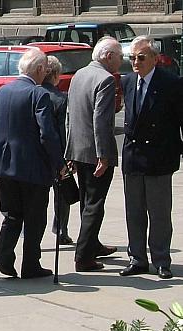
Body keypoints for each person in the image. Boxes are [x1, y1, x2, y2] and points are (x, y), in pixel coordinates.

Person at [0, 49, 64, 279]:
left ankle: (4, 258)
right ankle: (30, 264)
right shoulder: (38, 94)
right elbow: (47, 134)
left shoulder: (1, 92)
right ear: (40, 69)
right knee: (35, 218)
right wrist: (58, 163)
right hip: (33, 168)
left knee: (11, 215)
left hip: (5, 167)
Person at [119, 36, 183, 280]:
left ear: (155, 59)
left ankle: (161, 260)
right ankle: (137, 258)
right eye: (132, 58)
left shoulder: (171, 83)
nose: (135, 62)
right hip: (133, 158)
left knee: (159, 214)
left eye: (141, 58)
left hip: (159, 158)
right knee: (134, 213)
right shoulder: (127, 81)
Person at [65, 37, 122, 272]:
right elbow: (101, 121)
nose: (122, 60)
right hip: (95, 153)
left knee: (87, 202)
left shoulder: (79, 74)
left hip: (79, 149)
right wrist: (103, 155)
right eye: (120, 56)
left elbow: (70, 115)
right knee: (95, 204)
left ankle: (92, 244)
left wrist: (69, 151)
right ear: (108, 56)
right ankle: (84, 256)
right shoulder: (106, 79)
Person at [41, 56, 72, 245]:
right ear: (55, 75)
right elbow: (63, 131)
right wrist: (66, 157)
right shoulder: (61, 99)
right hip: (56, 154)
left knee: (35, 197)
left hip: (36, 155)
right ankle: (61, 229)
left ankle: (28, 231)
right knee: (61, 195)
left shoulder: (33, 93)